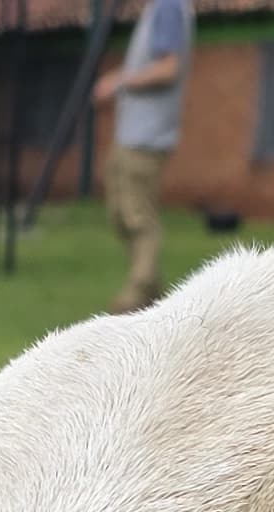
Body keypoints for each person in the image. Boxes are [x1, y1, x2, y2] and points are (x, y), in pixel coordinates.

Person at [88, 0, 185, 314]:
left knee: (138, 216)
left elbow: (169, 68)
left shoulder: (169, 6)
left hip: (147, 136)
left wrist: (118, 82)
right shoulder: (158, 8)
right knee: (121, 214)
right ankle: (154, 295)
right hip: (131, 134)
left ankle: (139, 292)